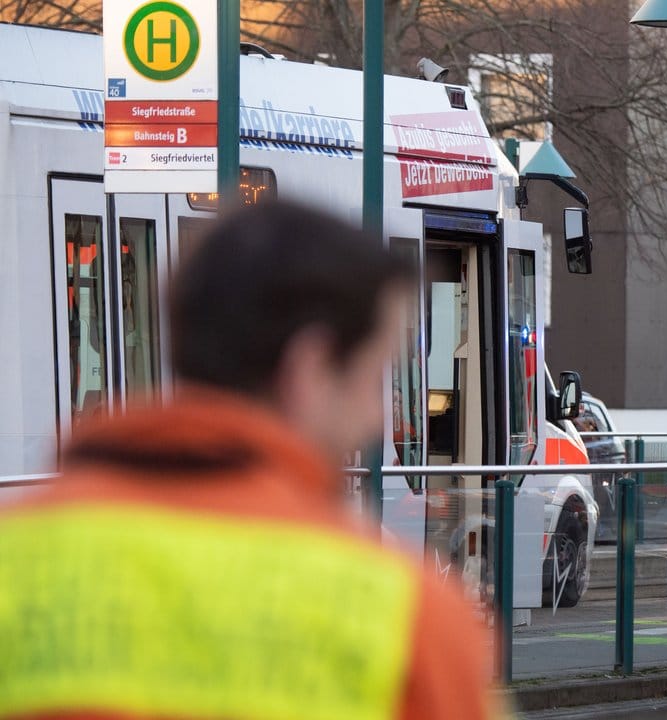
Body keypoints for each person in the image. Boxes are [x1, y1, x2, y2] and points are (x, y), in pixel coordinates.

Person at [0, 201, 502, 719]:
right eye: (374, 374)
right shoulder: (407, 622)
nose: (377, 418)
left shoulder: (16, 558)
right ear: (309, 369)